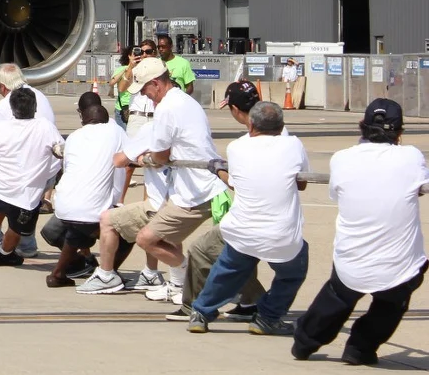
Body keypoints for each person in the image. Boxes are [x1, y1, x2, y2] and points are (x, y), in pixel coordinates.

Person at [292, 99, 428, 365]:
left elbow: (337, 194)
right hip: (397, 269)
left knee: (338, 293)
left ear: (361, 126)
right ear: (399, 132)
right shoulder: (411, 157)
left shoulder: (342, 158)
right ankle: (360, 347)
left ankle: (305, 341)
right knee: (397, 294)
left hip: (350, 263)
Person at [80, 55, 221, 295]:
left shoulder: (165, 109)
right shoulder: (185, 101)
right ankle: (179, 284)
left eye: (144, 89)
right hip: (193, 189)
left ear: (156, 83)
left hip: (192, 192)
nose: (143, 95)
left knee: (146, 238)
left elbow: (160, 156)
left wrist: (146, 158)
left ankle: (190, 282)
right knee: (160, 235)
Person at [188, 102, 309, 336]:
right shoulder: (294, 145)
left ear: (250, 124)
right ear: (282, 125)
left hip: (242, 231)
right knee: (293, 272)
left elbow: (233, 182)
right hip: (281, 234)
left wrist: (217, 169)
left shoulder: (237, 147)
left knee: (227, 271)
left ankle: (201, 313)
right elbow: (301, 183)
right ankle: (268, 317)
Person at [163, 80, 266, 322]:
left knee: (200, 251)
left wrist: (218, 170)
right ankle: (252, 302)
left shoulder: (242, 145)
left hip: (250, 217)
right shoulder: (278, 130)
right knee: (236, 256)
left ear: (236, 110)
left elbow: (236, 182)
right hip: (271, 217)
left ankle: (195, 308)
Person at [0, 87, 62, 267]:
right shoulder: (45, 126)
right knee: (16, 227)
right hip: (26, 193)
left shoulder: (1, 127)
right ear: (34, 107)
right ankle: (4, 254)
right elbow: (61, 151)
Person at [0, 63, 56, 257]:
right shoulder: (39, 95)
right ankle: (26, 245)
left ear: (3, 87)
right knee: (27, 203)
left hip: (24, 168)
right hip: (48, 167)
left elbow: (0, 141)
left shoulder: (6, 104)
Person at [47, 103, 125, 287]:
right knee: (129, 232)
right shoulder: (115, 132)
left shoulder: (73, 136)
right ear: (107, 121)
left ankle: (57, 274)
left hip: (63, 205)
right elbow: (126, 160)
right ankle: (107, 273)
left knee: (78, 228)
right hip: (89, 208)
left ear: (83, 119)